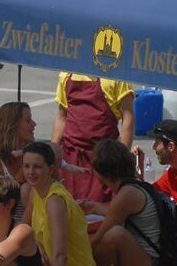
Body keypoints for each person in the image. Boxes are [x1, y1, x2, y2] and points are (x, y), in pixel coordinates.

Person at [81, 139, 167, 266]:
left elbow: (100, 238)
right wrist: (94, 207)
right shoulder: (135, 185)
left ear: (103, 171)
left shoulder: (127, 194)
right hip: (156, 265)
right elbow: (117, 212)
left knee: (114, 236)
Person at [50, 72, 134, 203]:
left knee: (100, 211)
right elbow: (62, 117)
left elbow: (128, 118)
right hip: (70, 157)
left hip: (103, 161)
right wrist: (52, 155)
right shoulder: (66, 75)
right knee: (68, 207)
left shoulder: (116, 78)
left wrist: (121, 158)